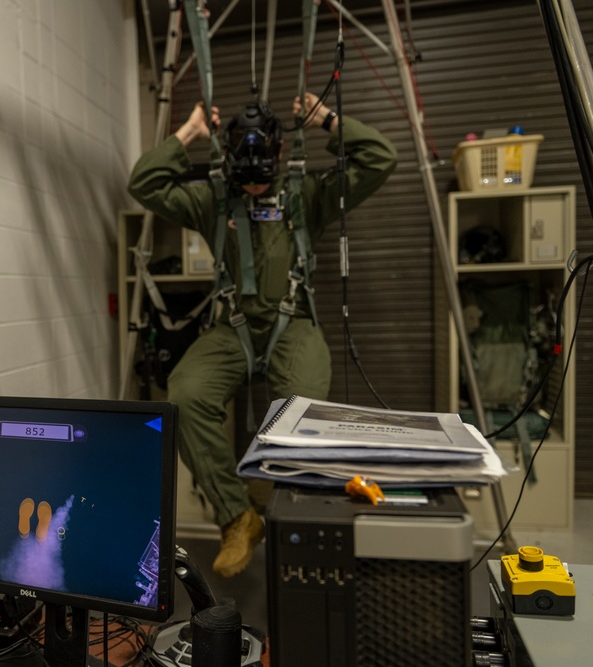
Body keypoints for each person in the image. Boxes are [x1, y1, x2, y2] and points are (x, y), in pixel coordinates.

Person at [127, 92, 397, 577]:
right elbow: (144, 183)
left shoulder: (305, 194)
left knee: (305, 407)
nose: (254, 183)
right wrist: (189, 132)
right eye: (244, 173)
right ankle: (237, 518)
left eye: (262, 170)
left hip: (291, 324)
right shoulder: (212, 198)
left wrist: (329, 121)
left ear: (277, 156)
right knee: (185, 395)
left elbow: (381, 158)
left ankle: (279, 502)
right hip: (230, 328)